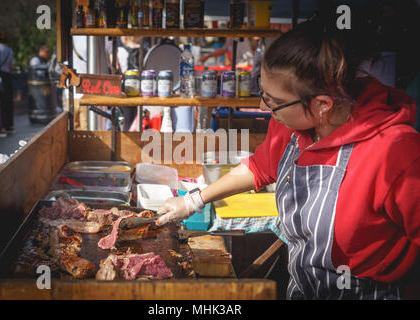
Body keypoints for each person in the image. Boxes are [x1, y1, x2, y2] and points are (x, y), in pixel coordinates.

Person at [156, 18, 420, 299]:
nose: (262, 106)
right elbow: (259, 168)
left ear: (322, 105)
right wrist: (193, 200)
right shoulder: (291, 125)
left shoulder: (396, 153)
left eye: (273, 101)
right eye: (262, 92)